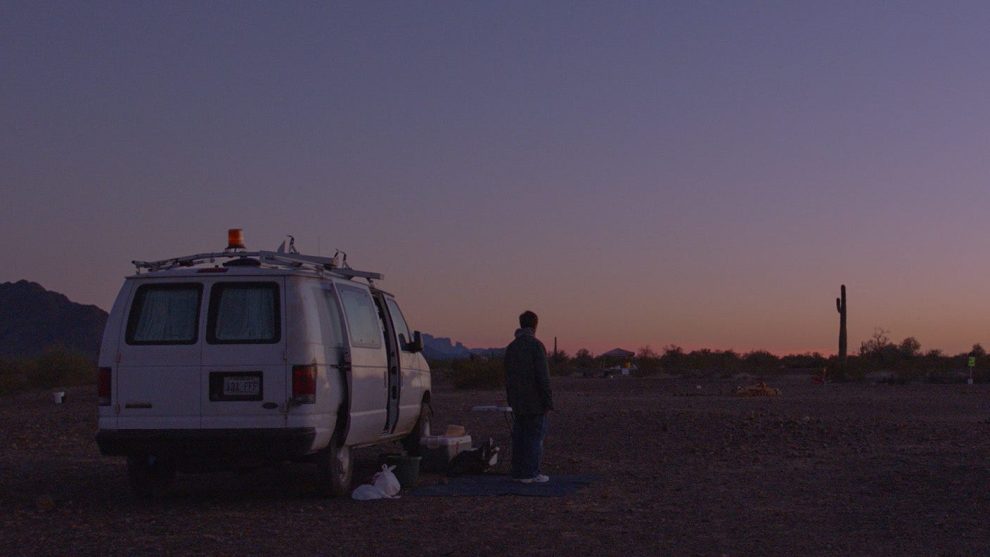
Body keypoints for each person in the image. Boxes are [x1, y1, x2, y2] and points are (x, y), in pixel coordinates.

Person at [504, 310, 553, 483]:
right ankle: (530, 473)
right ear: (535, 325)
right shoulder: (536, 346)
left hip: (517, 400)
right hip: (535, 402)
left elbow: (508, 376)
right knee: (534, 437)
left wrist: (511, 398)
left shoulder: (512, 347)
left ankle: (518, 472)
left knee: (519, 436)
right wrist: (548, 401)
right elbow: (543, 376)